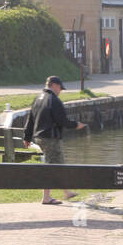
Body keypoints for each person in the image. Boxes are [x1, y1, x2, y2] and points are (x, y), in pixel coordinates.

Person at [22, 75, 87, 205]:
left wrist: (27, 137)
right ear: (54, 85)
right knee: (52, 166)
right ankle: (46, 197)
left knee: (57, 163)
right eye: (59, 88)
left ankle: (66, 192)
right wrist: (76, 125)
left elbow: (30, 120)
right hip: (50, 138)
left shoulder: (38, 99)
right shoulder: (54, 100)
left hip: (39, 137)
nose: (60, 91)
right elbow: (62, 121)